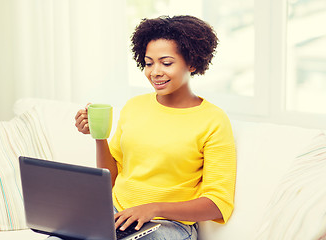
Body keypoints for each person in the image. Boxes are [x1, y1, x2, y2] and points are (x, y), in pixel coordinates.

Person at [74, 15, 236, 240]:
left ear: (192, 62)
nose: (155, 72)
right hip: (116, 215)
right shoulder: (134, 106)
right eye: (149, 63)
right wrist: (98, 136)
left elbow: (217, 203)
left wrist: (154, 208)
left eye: (166, 63)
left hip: (169, 225)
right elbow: (110, 178)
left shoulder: (213, 120)